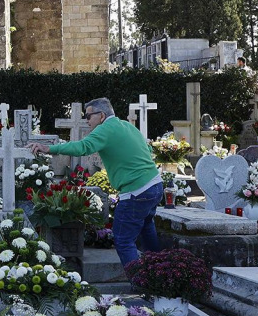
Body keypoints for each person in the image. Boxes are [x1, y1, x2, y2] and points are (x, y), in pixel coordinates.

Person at [29, 97, 162, 268]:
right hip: (155, 185)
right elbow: (147, 149)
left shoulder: (105, 128)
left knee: (123, 239)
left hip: (136, 190)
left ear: (101, 115)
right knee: (146, 228)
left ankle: (140, 283)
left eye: (89, 116)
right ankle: (161, 271)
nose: (86, 121)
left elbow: (82, 148)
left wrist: (49, 148)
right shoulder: (127, 126)